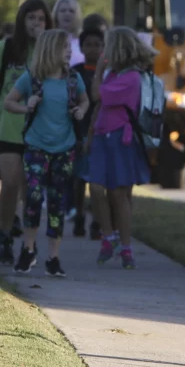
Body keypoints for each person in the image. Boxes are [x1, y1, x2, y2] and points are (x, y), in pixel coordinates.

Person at [3, 29, 88, 277]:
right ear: (50, 51)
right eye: (65, 49)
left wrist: (81, 111)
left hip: (64, 149)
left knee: (57, 201)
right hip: (36, 146)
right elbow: (9, 101)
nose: (69, 53)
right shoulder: (32, 79)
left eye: (70, 49)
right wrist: (25, 107)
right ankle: (28, 249)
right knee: (33, 197)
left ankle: (54, 256)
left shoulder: (73, 80)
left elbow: (84, 101)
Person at [0, 0, 52, 264]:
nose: (36, 24)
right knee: (9, 182)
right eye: (31, 18)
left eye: (41, 19)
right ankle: (5, 234)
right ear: (22, 21)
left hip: (41, 130)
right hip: (6, 126)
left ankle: (28, 243)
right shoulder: (5, 48)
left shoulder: (50, 51)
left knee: (30, 190)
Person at [84, 26, 160, 269]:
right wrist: (90, 133)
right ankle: (109, 236)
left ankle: (124, 246)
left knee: (119, 193)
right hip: (102, 136)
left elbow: (97, 95)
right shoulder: (115, 75)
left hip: (121, 138)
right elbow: (99, 108)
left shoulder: (130, 78)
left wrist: (98, 70)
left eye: (108, 46)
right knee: (95, 188)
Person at [69, 26, 104, 239]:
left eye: (97, 45)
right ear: (81, 47)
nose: (92, 48)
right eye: (88, 45)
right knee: (79, 178)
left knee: (98, 181)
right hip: (80, 130)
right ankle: (79, 215)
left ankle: (97, 221)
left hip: (101, 130)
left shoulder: (107, 72)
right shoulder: (76, 72)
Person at [52, 0, 84, 67]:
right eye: (63, 11)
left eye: (71, 11)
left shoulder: (83, 40)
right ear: (56, 14)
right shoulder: (49, 40)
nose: (67, 14)